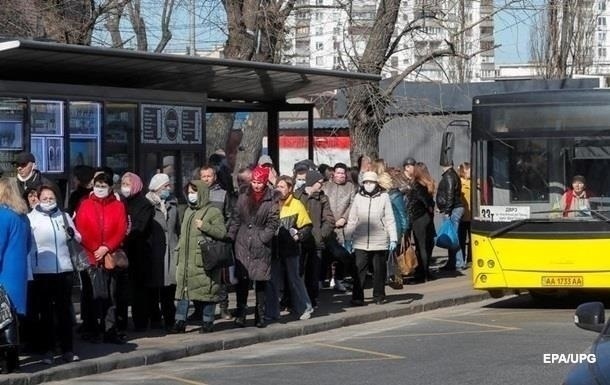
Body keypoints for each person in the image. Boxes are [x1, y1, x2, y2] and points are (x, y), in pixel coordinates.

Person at [28, 185, 81, 364]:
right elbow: (28, 246)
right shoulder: (31, 218)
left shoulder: (64, 216)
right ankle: (48, 350)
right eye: (45, 198)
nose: (49, 201)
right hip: (42, 272)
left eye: (52, 198)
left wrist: (72, 233)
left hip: (64, 270)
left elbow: (78, 237)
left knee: (64, 312)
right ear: (38, 198)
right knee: (45, 313)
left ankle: (67, 349)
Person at [75, 172, 128, 344]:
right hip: (89, 256)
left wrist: (107, 247)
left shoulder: (118, 206)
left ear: (110, 187)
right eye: (97, 185)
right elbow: (80, 229)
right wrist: (95, 248)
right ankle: (90, 329)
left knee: (110, 295)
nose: (100, 189)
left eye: (103, 186)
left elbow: (121, 229)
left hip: (109, 256)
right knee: (90, 294)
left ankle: (109, 330)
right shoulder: (85, 205)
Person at [170, 180, 227, 334]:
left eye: (194, 192)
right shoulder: (188, 211)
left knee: (208, 291)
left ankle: (208, 321)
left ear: (201, 193)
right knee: (183, 292)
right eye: (189, 192)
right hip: (186, 260)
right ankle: (180, 321)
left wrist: (205, 226)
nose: (191, 195)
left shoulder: (213, 211)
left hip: (203, 260)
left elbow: (222, 233)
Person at [227, 165, 279, 328]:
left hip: (261, 244)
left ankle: (260, 315)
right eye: (254, 182)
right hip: (242, 242)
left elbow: (273, 223)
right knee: (242, 280)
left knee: (260, 280)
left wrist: (263, 237)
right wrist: (231, 236)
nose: (256, 185)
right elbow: (236, 218)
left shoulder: (272, 199)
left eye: (260, 182)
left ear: (265, 182)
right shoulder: (243, 196)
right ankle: (241, 313)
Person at [345, 171, 397, 306]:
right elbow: (352, 219)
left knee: (379, 270)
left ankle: (379, 295)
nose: (368, 185)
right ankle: (357, 297)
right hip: (360, 241)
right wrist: (348, 237)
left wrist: (393, 238)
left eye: (371, 182)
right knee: (359, 270)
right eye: (366, 182)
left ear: (376, 183)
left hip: (379, 240)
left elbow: (390, 219)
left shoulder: (384, 197)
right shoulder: (358, 197)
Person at [266, 175, 314, 321]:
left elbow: (307, 226)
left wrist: (298, 236)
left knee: (295, 279)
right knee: (272, 280)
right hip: (273, 247)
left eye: (282, 187)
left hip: (290, 248)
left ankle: (305, 307)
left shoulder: (297, 204)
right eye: (277, 186)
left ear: (290, 189)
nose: (278, 189)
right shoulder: (271, 203)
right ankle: (272, 312)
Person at [192, 165, 235, 321]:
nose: (206, 179)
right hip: (199, 239)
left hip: (217, 240)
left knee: (220, 277)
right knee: (199, 277)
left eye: (209, 176)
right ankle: (198, 310)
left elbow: (230, 215)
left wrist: (223, 232)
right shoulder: (195, 193)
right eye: (203, 176)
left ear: (214, 177)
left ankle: (223, 308)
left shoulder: (223, 194)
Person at [0, 177, 31, 372]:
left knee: (3, 317)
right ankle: (13, 361)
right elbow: (28, 246)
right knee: (10, 316)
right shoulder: (22, 216)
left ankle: (4, 362)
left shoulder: (3, 215)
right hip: (18, 272)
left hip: (3, 272)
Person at [294, 170, 335, 308]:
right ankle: (295, 299)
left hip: (315, 241)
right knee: (297, 272)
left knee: (313, 273)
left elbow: (329, 219)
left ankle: (312, 299)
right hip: (299, 240)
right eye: (319, 183)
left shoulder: (322, 198)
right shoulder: (297, 196)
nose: (321, 185)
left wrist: (321, 234)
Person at [145, 173, 180, 331]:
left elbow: (177, 227)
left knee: (169, 288)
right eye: (165, 186)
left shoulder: (173, 203)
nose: (168, 188)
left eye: (169, 186)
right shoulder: (148, 204)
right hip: (154, 251)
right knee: (153, 288)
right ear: (157, 188)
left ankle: (170, 320)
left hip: (171, 251)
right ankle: (155, 318)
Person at [120, 172, 155, 331]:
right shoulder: (121, 202)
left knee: (138, 289)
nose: (125, 187)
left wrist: (125, 233)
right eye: (123, 184)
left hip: (139, 251)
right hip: (122, 250)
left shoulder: (144, 204)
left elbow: (139, 228)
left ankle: (140, 321)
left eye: (128, 184)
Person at [322, 162, 356, 292]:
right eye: (338, 173)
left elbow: (352, 204)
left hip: (343, 227)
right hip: (327, 225)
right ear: (333, 174)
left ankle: (339, 280)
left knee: (342, 255)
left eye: (343, 173)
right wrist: (328, 221)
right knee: (326, 255)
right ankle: (322, 280)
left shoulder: (350, 187)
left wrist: (344, 218)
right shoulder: (326, 186)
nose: (341, 175)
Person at [406, 163, 436, 283]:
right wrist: (430, 209)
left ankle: (422, 274)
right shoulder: (428, 183)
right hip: (427, 217)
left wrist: (427, 206)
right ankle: (426, 272)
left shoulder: (417, 184)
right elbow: (429, 201)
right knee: (426, 246)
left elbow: (424, 200)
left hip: (419, 217)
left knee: (421, 246)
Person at [436, 161, 465, 271]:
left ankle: (458, 262)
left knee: (452, 237)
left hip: (453, 209)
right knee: (451, 236)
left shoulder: (449, 176)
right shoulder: (452, 175)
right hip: (453, 208)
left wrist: (447, 211)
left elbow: (450, 195)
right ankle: (453, 262)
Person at [458, 162, 472, 265]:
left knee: (472, 240)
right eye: (469, 169)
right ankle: (462, 258)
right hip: (462, 215)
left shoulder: (474, 182)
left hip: (472, 216)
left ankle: (470, 259)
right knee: (461, 239)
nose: (471, 171)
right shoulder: (459, 182)